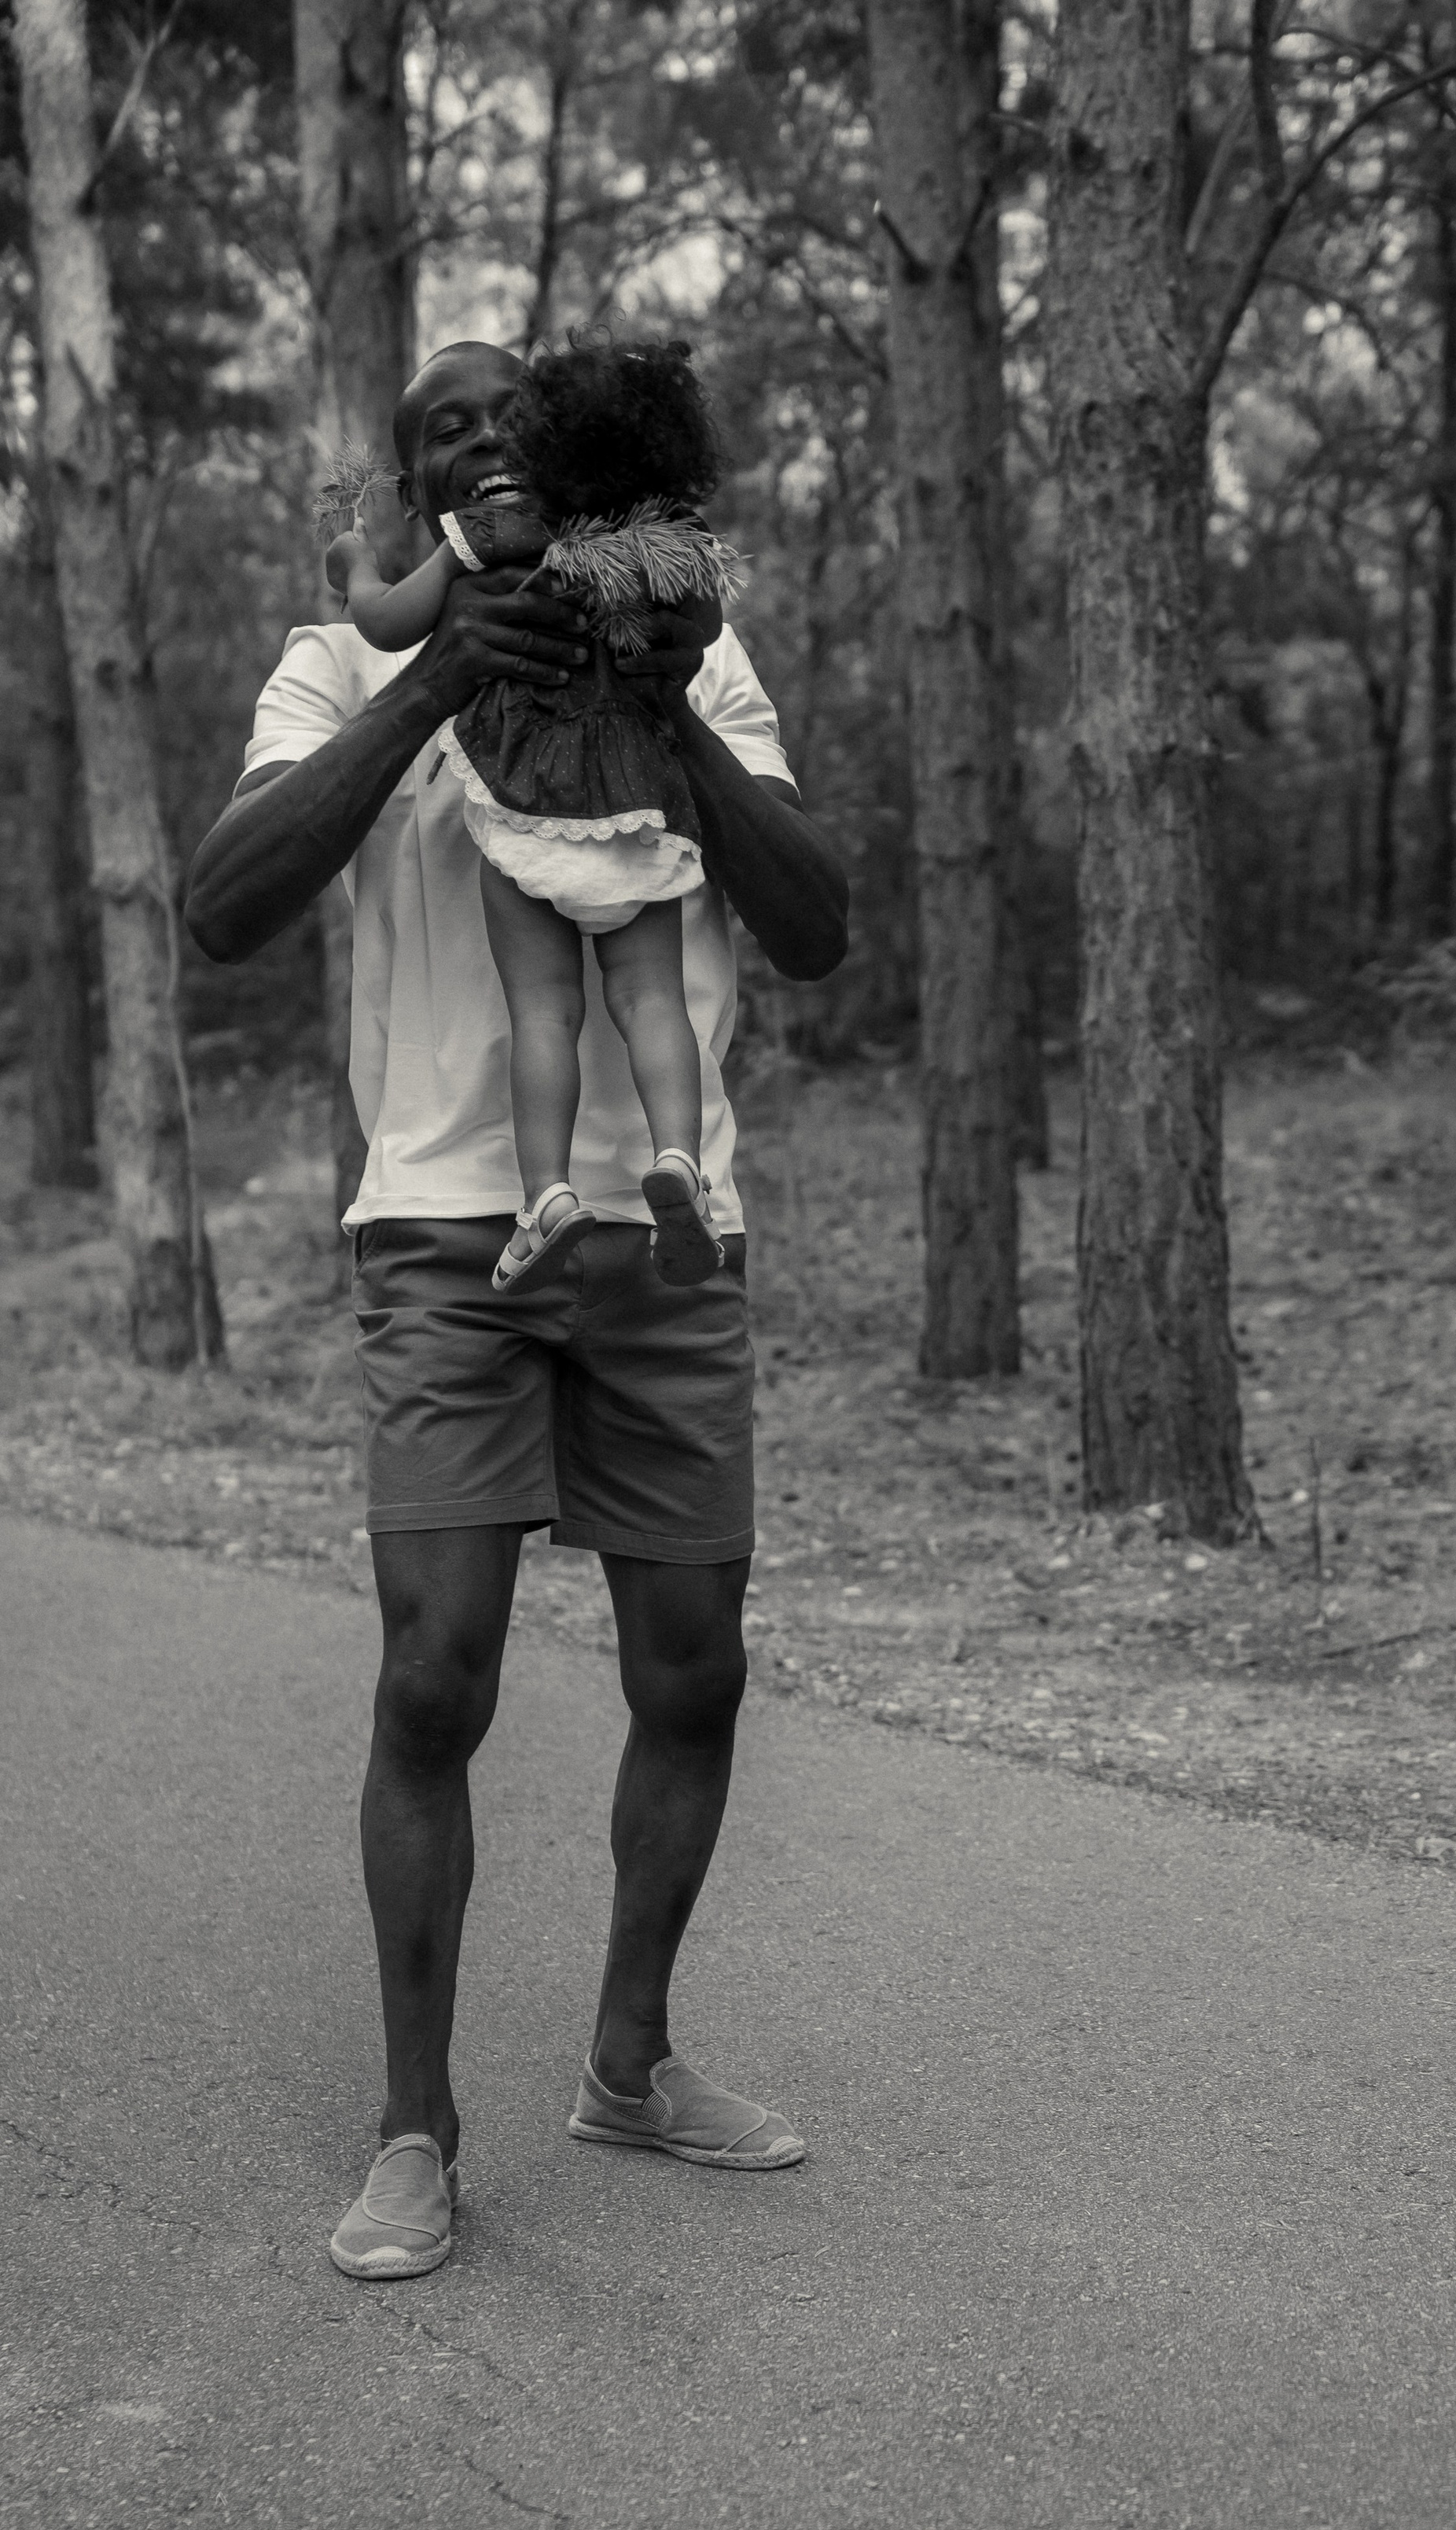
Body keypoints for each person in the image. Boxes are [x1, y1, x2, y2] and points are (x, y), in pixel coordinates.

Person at [184, 338, 848, 2281]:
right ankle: (414, 2128)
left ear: (568, 465)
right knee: (432, 1671)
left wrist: (682, 725)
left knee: (692, 1669)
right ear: (411, 496)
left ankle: (628, 2061)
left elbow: (812, 926)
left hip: (662, 1228)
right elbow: (224, 904)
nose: (482, 445)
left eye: (510, 423)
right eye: (440, 433)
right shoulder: (334, 664)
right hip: (445, 1237)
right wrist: (436, 680)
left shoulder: (690, 639)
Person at [316, 333, 742, 1294]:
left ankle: (545, 1197)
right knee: (652, 1000)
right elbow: (705, 620)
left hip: (524, 809)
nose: (491, 442)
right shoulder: (641, 536)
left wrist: (354, 563)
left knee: (542, 1009)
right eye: (453, 428)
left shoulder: (488, 536)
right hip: (639, 808)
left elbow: (384, 623)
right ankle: (681, 1164)